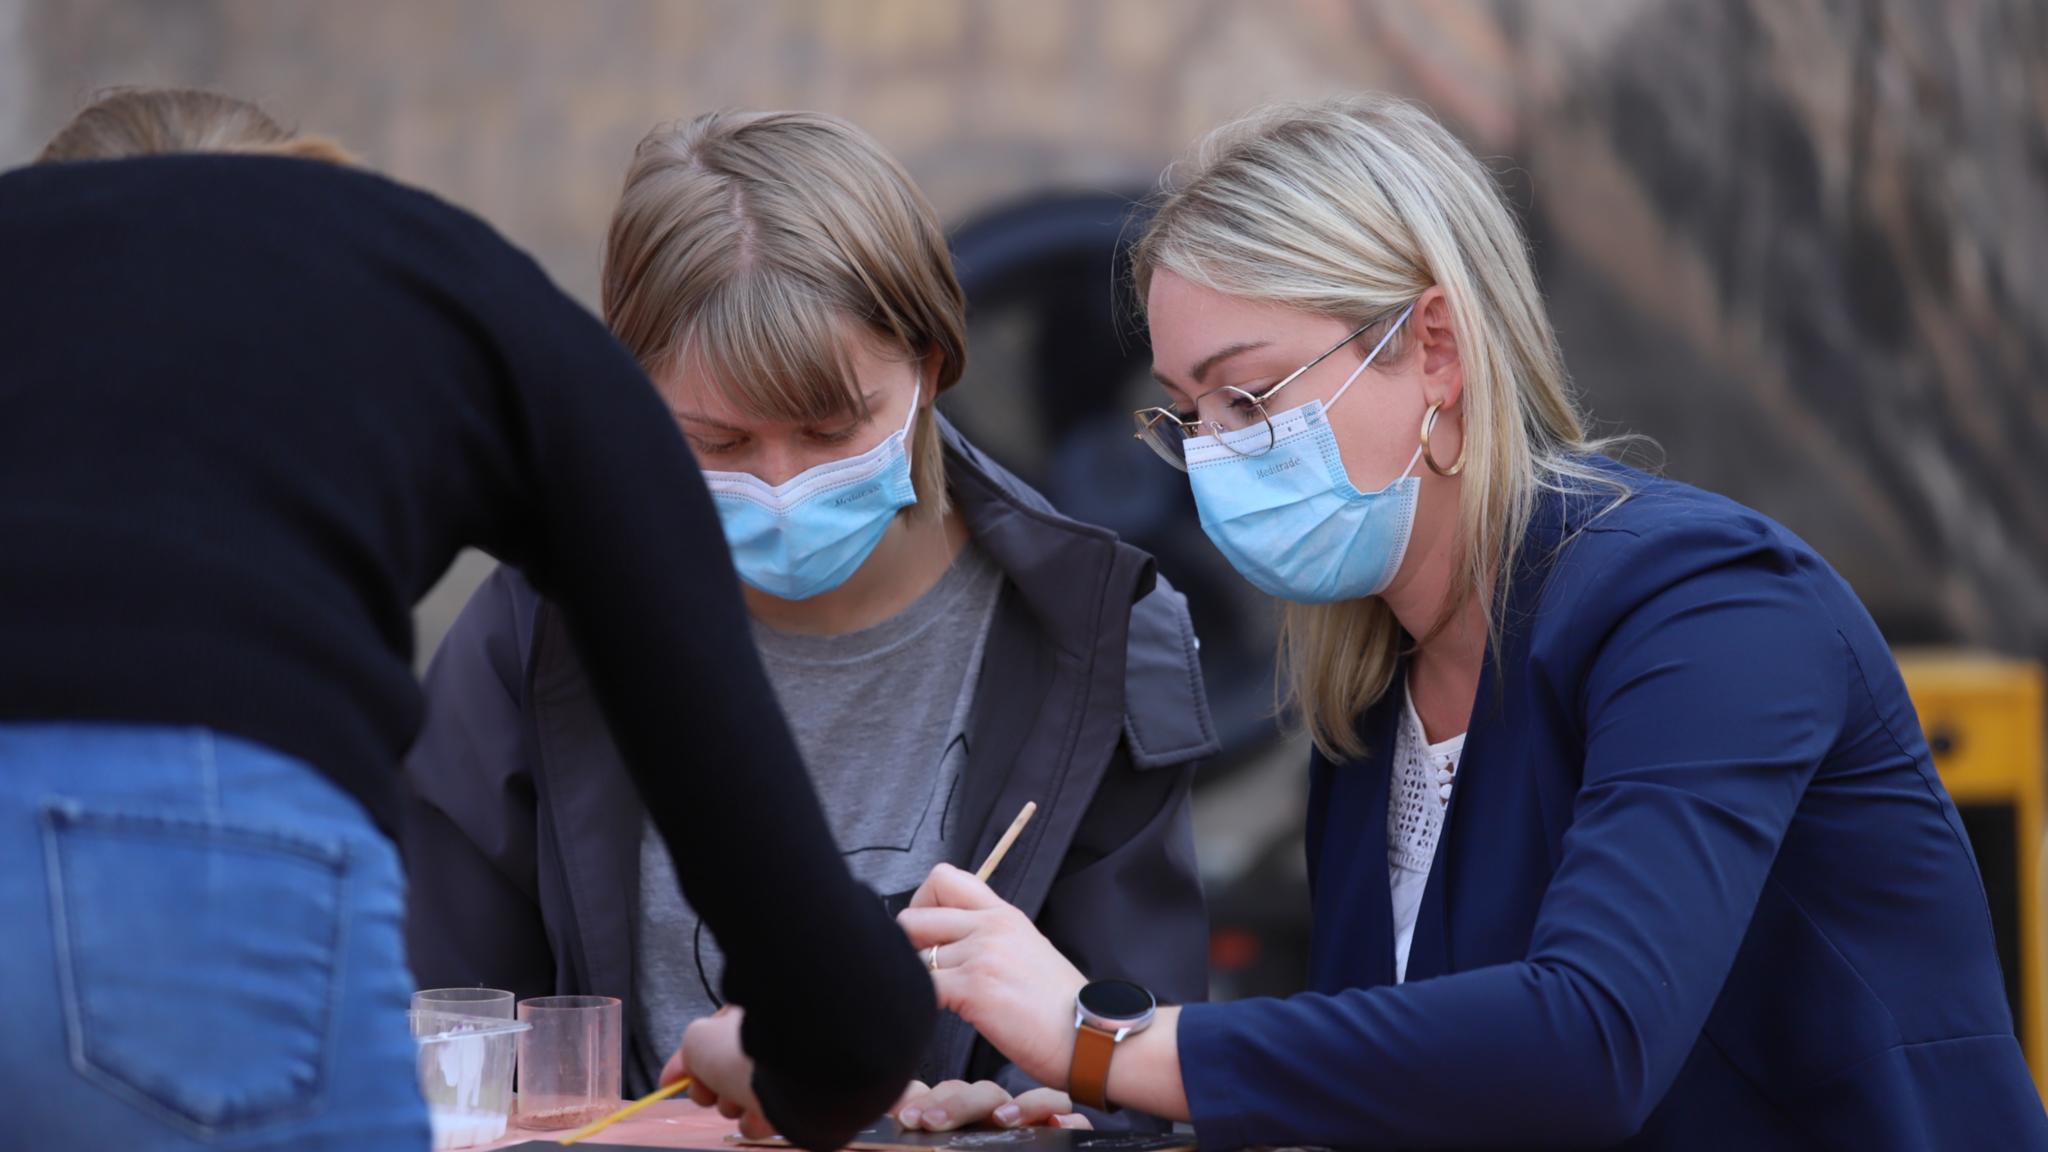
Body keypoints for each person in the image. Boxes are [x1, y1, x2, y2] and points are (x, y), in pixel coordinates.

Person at [897, 94, 2048, 1149]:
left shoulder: (1708, 606)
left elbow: (1584, 1045)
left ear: (1434, 349)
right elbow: (1418, 1081)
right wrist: (1100, 1105)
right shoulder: (1373, 695)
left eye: (1247, 397)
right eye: (1186, 413)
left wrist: (1105, 1038)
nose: (1209, 458)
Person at [0, 88, 933, 1152]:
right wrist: (787, 1063)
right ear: (317, 198)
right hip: (198, 868)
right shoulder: (437, 284)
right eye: (721, 443)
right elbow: (837, 1005)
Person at [403, 109, 1215, 1133]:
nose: (780, 484)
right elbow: (433, 1060)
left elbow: (1144, 1078)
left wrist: (1010, 1122)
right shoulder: (537, 636)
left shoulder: (1093, 636)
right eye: (718, 439)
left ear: (929, 365)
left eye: (832, 428)